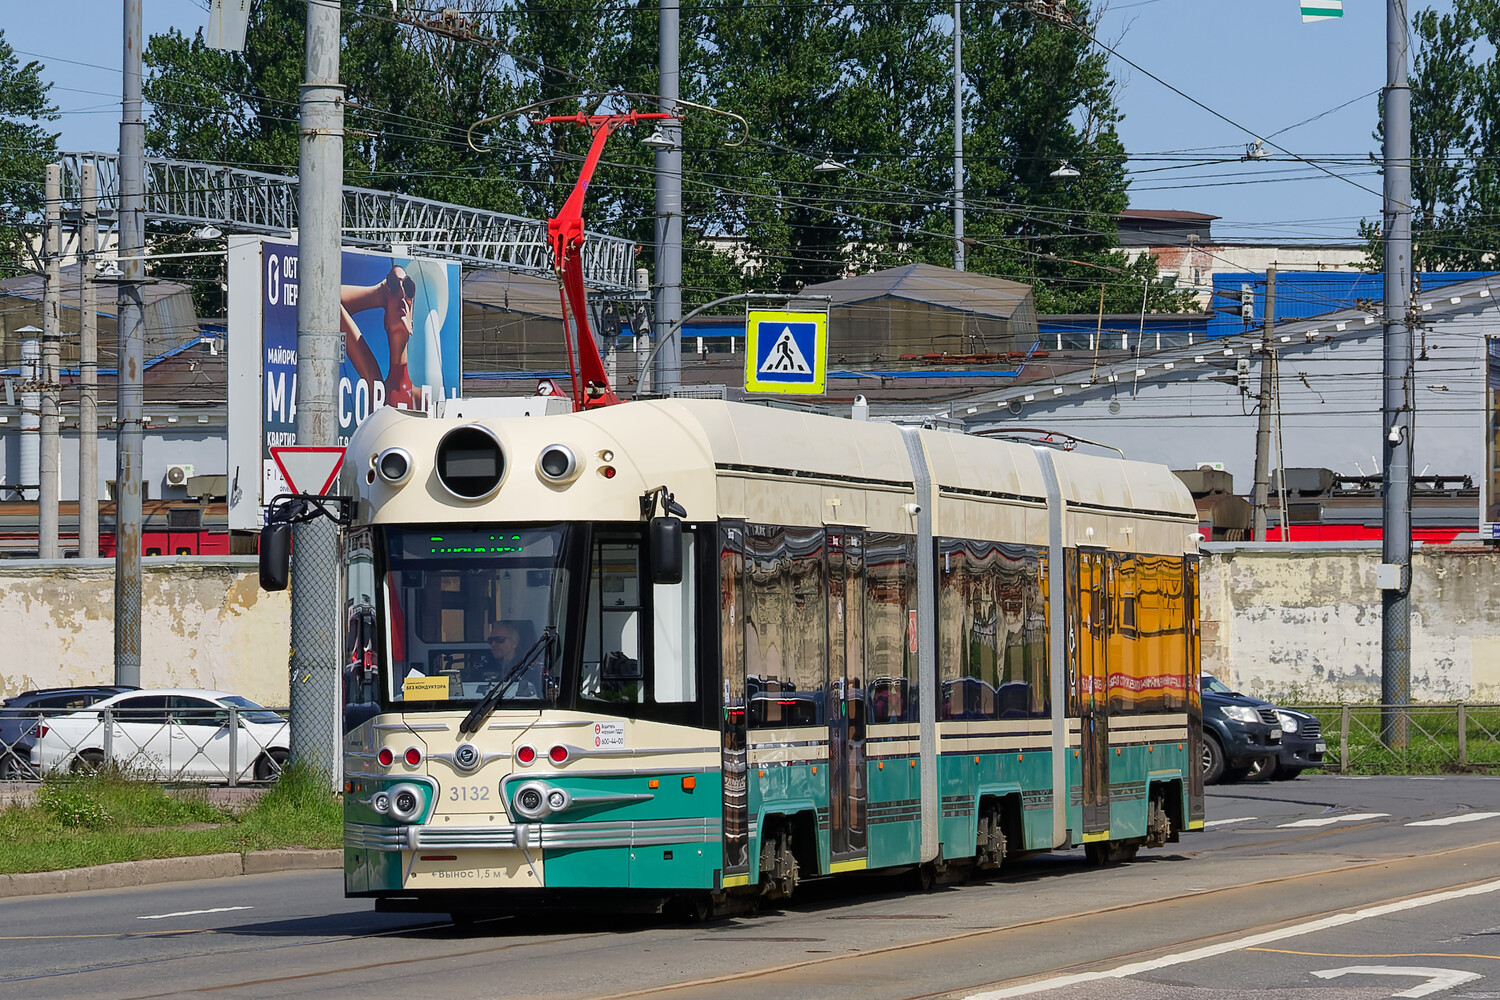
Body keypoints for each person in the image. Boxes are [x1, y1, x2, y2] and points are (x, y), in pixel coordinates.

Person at [342, 266, 417, 410]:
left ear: (412, 325)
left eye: (408, 288)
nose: (402, 293)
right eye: (395, 285)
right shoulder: (376, 386)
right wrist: (378, 293)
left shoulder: (425, 397)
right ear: (385, 321)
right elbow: (326, 300)